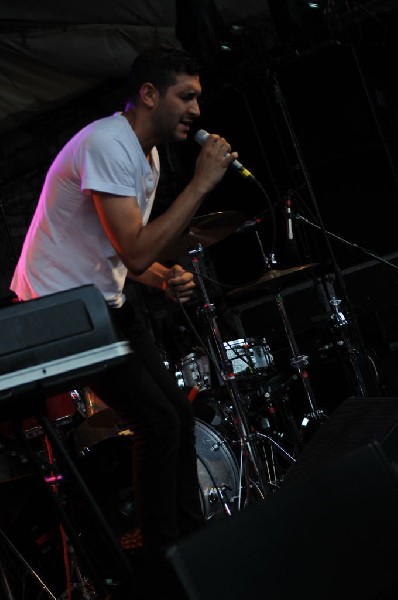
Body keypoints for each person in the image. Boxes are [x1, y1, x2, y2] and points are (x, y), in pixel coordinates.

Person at [9, 45, 238, 571]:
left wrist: (160, 278)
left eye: (198, 98)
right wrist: (202, 184)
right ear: (150, 95)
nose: (196, 111)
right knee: (156, 420)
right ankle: (164, 559)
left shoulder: (146, 156)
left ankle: (188, 539)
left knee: (175, 416)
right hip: (56, 313)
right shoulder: (106, 144)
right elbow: (136, 248)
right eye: (187, 96)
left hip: (98, 301)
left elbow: (128, 255)